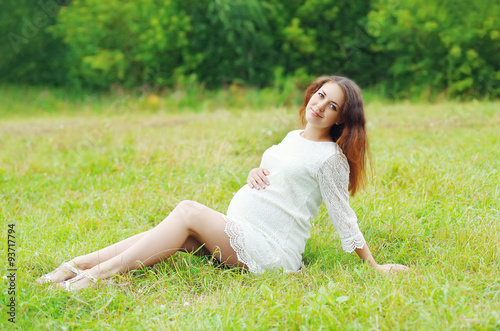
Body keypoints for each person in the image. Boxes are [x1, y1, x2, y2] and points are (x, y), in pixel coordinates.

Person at [37, 75, 409, 290]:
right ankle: (71, 268)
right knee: (172, 234)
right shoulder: (293, 137)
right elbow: (281, 178)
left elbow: (343, 216)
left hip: (271, 250)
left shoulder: (331, 158)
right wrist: (253, 174)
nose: (320, 104)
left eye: (332, 106)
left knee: (186, 210)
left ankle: (92, 278)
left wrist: (373, 266)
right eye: (321, 94)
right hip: (244, 230)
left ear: (341, 118)